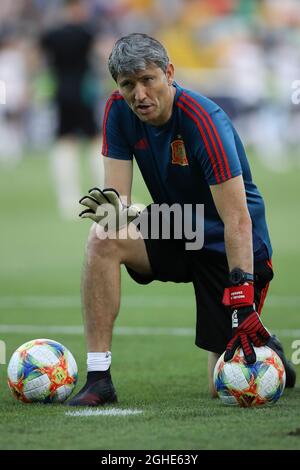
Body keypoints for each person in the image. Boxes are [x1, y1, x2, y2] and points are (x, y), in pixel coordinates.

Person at [68, 33, 296, 406]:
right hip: (180, 225)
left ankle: (270, 349)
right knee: (102, 236)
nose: (139, 94)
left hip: (230, 244)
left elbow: (237, 219)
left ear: (169, 73)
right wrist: (114, 213)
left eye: (148, 80)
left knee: (222, 387)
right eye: (128, 84)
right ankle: (99, 378)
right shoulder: (117, 111)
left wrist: (241, 296)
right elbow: (119, 205)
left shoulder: (204, 120)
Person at [41, 0, 103, 219]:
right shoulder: (86, 32)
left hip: (61, 92)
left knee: (64, 142)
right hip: (83, 92)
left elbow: (41, 62)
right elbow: (101, 56)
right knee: (95, 140)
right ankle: (102, 194)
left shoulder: (51, 34)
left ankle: (67, 199)